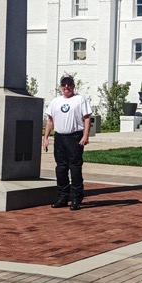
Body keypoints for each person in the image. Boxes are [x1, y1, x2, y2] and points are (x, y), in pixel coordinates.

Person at [43, 75, 91, 210]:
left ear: (73, 86)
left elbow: (87, 118)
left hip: (74, 137)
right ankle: (63, 197)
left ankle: (76, 198)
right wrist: (45, 137)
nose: (66, 87)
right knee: (61, 168)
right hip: (59, 138)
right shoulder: (55, 102)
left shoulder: (80, 99)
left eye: (69, 84)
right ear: (60, 87)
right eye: (64, 85)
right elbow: (50, 120)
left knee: (75, 168)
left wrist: (85, 135)